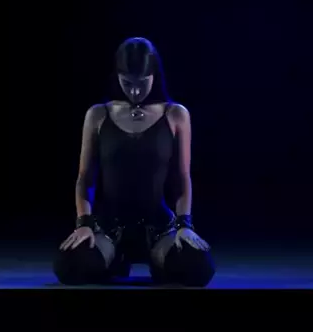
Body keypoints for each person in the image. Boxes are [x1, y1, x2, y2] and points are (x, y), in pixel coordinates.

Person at [53, 37, 215, 287]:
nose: (135, 92)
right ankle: (116, 260)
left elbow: (182, 177)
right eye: (127, 83)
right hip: (110, 227)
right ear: (117, 76)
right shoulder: (98, 114)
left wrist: (185, 224)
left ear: (154, 76)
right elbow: (85, 178)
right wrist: (84, 223)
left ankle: (157, 261)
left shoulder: (176, 114)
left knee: (198, 267)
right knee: (70, 266)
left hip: (157, 227)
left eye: (142, 83)